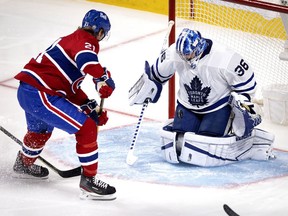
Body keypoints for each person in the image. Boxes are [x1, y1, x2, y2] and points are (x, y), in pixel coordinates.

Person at [128, 28, 275, 167]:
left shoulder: (225, 58)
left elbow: (247, 86)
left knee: (207, 142)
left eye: (189, 55)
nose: (185, 58)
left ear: (198, 48)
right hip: (187, 105)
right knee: (179, 143)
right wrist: (150, 84)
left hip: (217, 107)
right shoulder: (175, 52)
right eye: (183, 55)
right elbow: (156, 75)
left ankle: (251, 141)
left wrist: (242, 105)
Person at [13, 9, 116, 200]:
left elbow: (69, 89)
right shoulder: (86, 40)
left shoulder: (71, 40)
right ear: (100, 31)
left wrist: (89, 106)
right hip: (41, 93)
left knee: (40, 132)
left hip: (31, 91)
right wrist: (102, 78)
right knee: (87, 128)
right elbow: (87, 62)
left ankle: (24, 163)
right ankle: (89, 182)